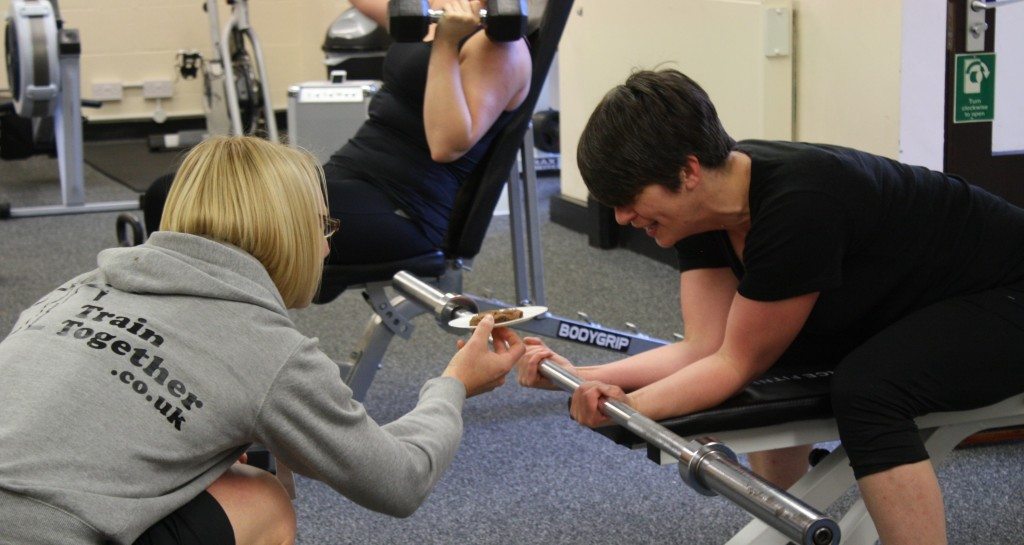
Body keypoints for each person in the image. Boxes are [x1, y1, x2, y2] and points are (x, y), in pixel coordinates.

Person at [514, 69, 1024, 545]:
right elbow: (706, 347)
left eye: (628, 198)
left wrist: (625, 408)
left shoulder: (799, 203)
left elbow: (735, 364)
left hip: (1008, 292)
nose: (623, 217)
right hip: (924, 298)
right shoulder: (704, 212)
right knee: (776, 347)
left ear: (687, 171)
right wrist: (584, 374)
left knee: (871, 389)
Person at [0, 136, 525, 545]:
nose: (324, 247)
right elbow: (401, 479)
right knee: (262, 501)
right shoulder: (268, 352)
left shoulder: (76, 289)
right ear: (291, 234)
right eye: (324, 226)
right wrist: (454, 384)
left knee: (233, 461)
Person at [319, 0, 532, 273]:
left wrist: (445, 43)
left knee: (270, 217)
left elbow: (446, 146)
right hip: (353, 172)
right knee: (258, 192)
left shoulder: (499, 48)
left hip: (403, 206)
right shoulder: (435, 7)